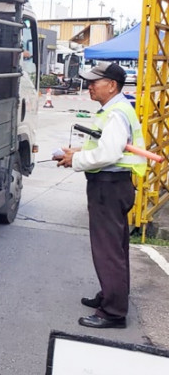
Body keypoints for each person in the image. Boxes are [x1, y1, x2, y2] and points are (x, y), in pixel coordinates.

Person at [56, 61, 146, 329]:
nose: (90, 86)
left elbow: (108, 153)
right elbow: (105, 146)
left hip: (109, 186)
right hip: (114, 185)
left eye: (95, 82)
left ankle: (114, 312)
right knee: (116, 246)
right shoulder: (114, 109)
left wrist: (76, 159)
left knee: (107, 250)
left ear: (112, 85)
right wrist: (77, 154)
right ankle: (111, 295)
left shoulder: (116, 113)